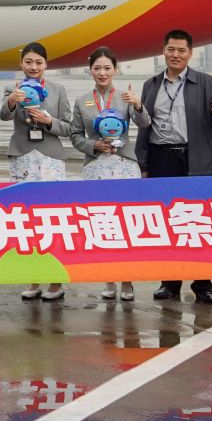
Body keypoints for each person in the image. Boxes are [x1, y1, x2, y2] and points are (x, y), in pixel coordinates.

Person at [134, 28, 212, 304]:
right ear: (163, 51)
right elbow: (145, 126)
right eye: (171, 49)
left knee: (198, 223)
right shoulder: (151, 84)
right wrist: (144, 163)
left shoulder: (206, 82)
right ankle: (169, 283)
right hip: (162, 158)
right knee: (167, 222)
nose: (175, 55)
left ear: (190, 53)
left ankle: (203, 285)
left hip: (195, 158)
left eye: (181, 50)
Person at [0, 41, 75, 301]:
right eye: (29, 62)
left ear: (46, 64)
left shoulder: (57, 89)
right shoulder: (13, 87)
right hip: (22, 156)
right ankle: (33, 280)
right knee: (27, 218)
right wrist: (12, 100)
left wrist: (48, 121)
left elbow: (69, 127)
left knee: (52, 218)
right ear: (21, 64)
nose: (33, 67)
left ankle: (56, 281)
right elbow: (3, 115)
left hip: (50, 157)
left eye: (39, 62)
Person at [71, 46, 141, 301]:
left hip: (125, 165)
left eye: (107, 68)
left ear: (115, 70)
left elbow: (145, 124)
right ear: (90, 70)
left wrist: (138, 105)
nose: (102, 73)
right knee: (103, 224)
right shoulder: (81, 101)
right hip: (96, 166)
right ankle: (109, 279)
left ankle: (128, 280)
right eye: (97, 68)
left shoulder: (125, 97)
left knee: (127, 224)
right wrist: (94, 145)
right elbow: (75, 135)